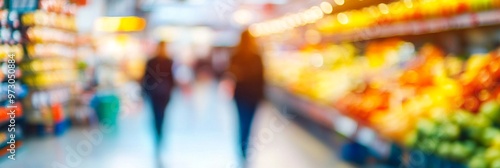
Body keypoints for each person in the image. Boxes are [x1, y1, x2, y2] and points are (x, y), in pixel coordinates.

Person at [225, 30, 265, 160]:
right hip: (252, 95)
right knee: (249, 122)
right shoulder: (256, 56)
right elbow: (261, 78)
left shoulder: (235, 56)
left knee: (241, 121)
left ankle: (242, 147)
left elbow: (230, 74)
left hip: (240, 94)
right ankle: (245, 147)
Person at [142, 41, 176, 146]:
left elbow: (170, 78)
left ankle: (158, 130)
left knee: (158, 113)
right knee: (159, 113)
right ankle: (159, 131)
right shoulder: (165, 61)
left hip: (158, 93)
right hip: (160, 93)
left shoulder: (157, 61)